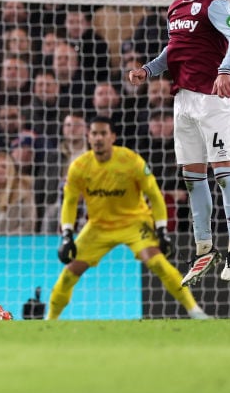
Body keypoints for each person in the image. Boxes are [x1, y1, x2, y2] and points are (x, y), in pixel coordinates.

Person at [128, 0, 230, 285]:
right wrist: (148, 70)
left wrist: (226, 70)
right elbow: (175, 50)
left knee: (224, 173)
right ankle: (204, 248)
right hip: (182, 100)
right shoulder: (174, 8)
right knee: (192, 176)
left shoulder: (215, 3)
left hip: (213, 98)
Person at [48, 117, 208, 320]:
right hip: (98, 227)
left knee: (157, 263)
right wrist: (67, 235)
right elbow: (69, 202)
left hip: (134, 222)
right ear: (88, 137)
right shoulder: (79, 167)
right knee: (70, 273)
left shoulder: (131, 161)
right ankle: (49, 320)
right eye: (94, 133)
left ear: (112, 137)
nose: (98, 138)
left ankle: (195, 311)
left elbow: (155, 195)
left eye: (103, 133)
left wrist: (161, 230)